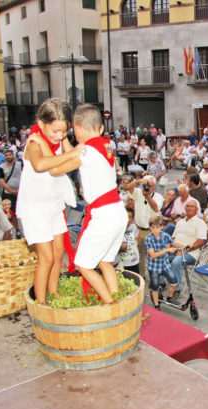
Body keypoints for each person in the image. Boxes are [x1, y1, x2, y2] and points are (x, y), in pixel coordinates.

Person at [48, 104, 128, 304]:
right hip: (117, 211)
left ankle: (111, 303)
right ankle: (116, 297)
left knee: (83, 265)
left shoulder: (84, 152)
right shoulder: (105, 145)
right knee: (104, 261)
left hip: (103, 215)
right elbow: (76, 154)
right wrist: (70, 143)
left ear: (77, 130)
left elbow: (56, 169)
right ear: (101, 128)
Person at [15, 98, 84, 304]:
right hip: (35, 209)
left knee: (58, 252)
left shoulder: (56, 139)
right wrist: (72, 152)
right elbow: (40, 164)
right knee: (46, 258)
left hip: (53, 205)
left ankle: (53, 292)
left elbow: (67, 154)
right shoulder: (35, 142)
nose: (60, 136)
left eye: (64, 131)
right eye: (55, 131)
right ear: (41, 123)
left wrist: (65, 142)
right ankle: (41, 302)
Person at [145, 216, 178, 310]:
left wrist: (186, 247)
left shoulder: (165, 235)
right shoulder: (149, 238)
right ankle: (156, 305)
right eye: (153, 228)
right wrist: (167, 250)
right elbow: (153, 255)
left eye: (157, 227)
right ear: (150, 228)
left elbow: (174, 243)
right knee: (154, 286)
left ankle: (169, 298)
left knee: (174, 281)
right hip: (154, 266)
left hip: (165, 264)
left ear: (161, 227)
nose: (155, 230)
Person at [119, 206, 140, 274]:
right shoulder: (118, 228)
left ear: (132, 219)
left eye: (129, 217)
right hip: (122, 263)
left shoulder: (133, 227)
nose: (126, 219)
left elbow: (137, 237)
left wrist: (134, 245)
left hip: (134, 261)